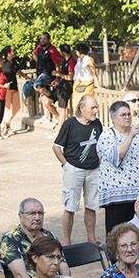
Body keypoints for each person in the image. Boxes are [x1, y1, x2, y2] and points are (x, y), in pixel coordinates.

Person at [98, 98, 139, 230]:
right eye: (123, 115)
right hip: (117, 198)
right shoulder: (107, 135)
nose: (127, 117)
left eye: (129, 114)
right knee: (117, 235)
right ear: (113, 118)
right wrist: (130, 136)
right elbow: (116, 157)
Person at [53, 94, 103, 245]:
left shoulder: (97, 124)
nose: (96, 110)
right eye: (92, 107)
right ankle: (67, 241)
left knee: (91, 206)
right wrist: (66, 165)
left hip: (94, 170)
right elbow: (56, 147)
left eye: (96, 107)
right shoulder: (70, 124)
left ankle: (91, 239)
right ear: (82, 108)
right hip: (74, 169)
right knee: (70, 206)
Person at [0, 198, 62, 278]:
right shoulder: (11, 239)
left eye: (40, 213)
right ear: (21, 216)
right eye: (32, 213)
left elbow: (64, 268)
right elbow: (21, 277)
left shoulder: (49, 236)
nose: (37, 218)